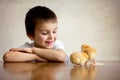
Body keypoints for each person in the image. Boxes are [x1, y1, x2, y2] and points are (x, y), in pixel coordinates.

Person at [3, 6, 68, 63]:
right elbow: (7, 57)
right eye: (44, 33)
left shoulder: (56, 45)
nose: (51, 37)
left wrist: (33, 50)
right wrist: (36, 57)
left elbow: (61, 57)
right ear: (31, 35)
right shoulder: (28, 47)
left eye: (54, 31)